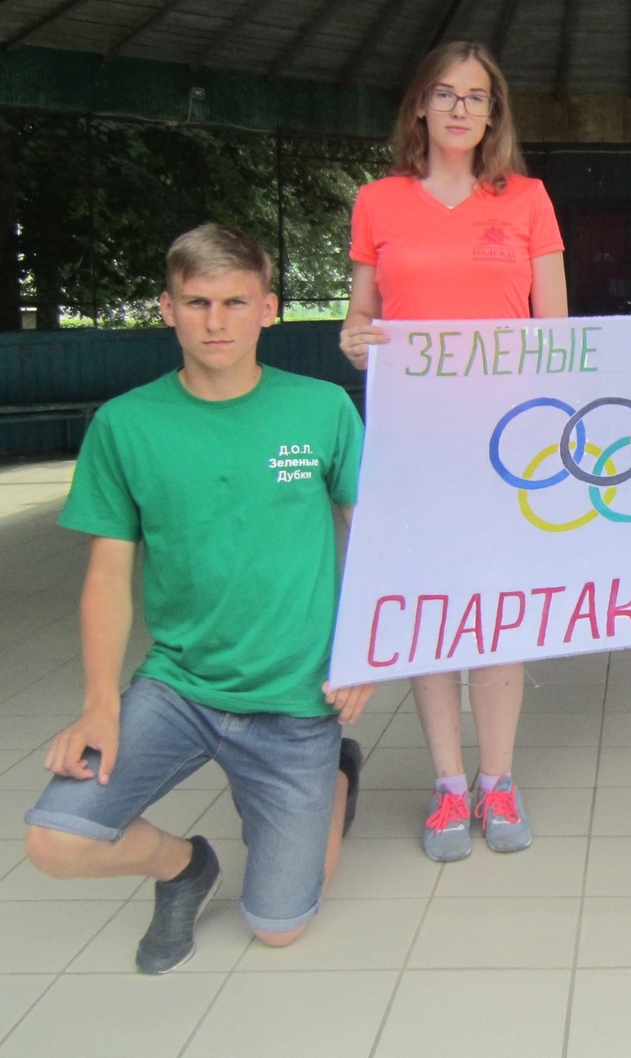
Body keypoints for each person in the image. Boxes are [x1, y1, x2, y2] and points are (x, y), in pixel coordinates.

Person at [22, 224, 374, 973]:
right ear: (167, 308)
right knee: (55, 840)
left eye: (235, 302)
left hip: (297, 696)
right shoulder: (126, 425)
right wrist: (98, 701)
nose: (216, 321)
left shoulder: (320, 410)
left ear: (269, 308)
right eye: (198, 302)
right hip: (179, 686)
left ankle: (335, 773)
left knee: (279, 925)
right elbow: (107, 575)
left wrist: (364, 652)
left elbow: (374, 539)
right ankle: (183, 866)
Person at [340, 40, 567, 863]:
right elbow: (358, 323)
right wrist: (358, 340)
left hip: (507, 449)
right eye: (446, 94)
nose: (461, 108)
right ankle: (445, 783)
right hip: (414, 447)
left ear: (494, 112)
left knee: (498, 614)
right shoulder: (377, 203)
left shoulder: (530, 200)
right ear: (422, 109)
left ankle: (497, 778)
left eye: (477, 96)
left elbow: (558, 339)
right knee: (434, 611)